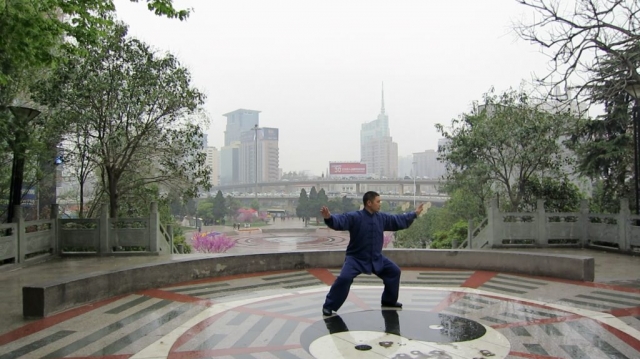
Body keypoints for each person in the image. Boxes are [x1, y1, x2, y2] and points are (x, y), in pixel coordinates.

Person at [320, 191, 424, 316]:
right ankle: (329, 306)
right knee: (344, 278)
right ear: (369, 203)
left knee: (394, 271)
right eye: (378, 201)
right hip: (355, 259)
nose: (380, 204)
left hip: (376, 257)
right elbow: (341, 220)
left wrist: (414, 214)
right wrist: (329, 218)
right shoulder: (355, 217)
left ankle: (388, 301)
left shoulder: (381, 218)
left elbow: (397, 220)